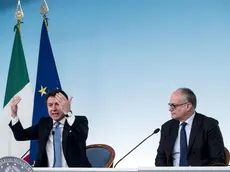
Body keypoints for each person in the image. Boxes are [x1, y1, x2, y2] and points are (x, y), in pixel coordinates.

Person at [9, 89, 92, 168]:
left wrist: (68, 113)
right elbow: (20, 135)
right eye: (50, 105)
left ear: (66, 105)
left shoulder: (79, 121)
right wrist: (14, 114)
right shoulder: (44, 123)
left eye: (57, 104)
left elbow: (82, 136)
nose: (53, 109)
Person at [155, 88, 226, 166]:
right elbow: (160, 159)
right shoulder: (167, 127)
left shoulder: (209, 125)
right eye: (170, 105)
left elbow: (218, 159)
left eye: (174, 105)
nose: (170, 109)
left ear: (188, 106)